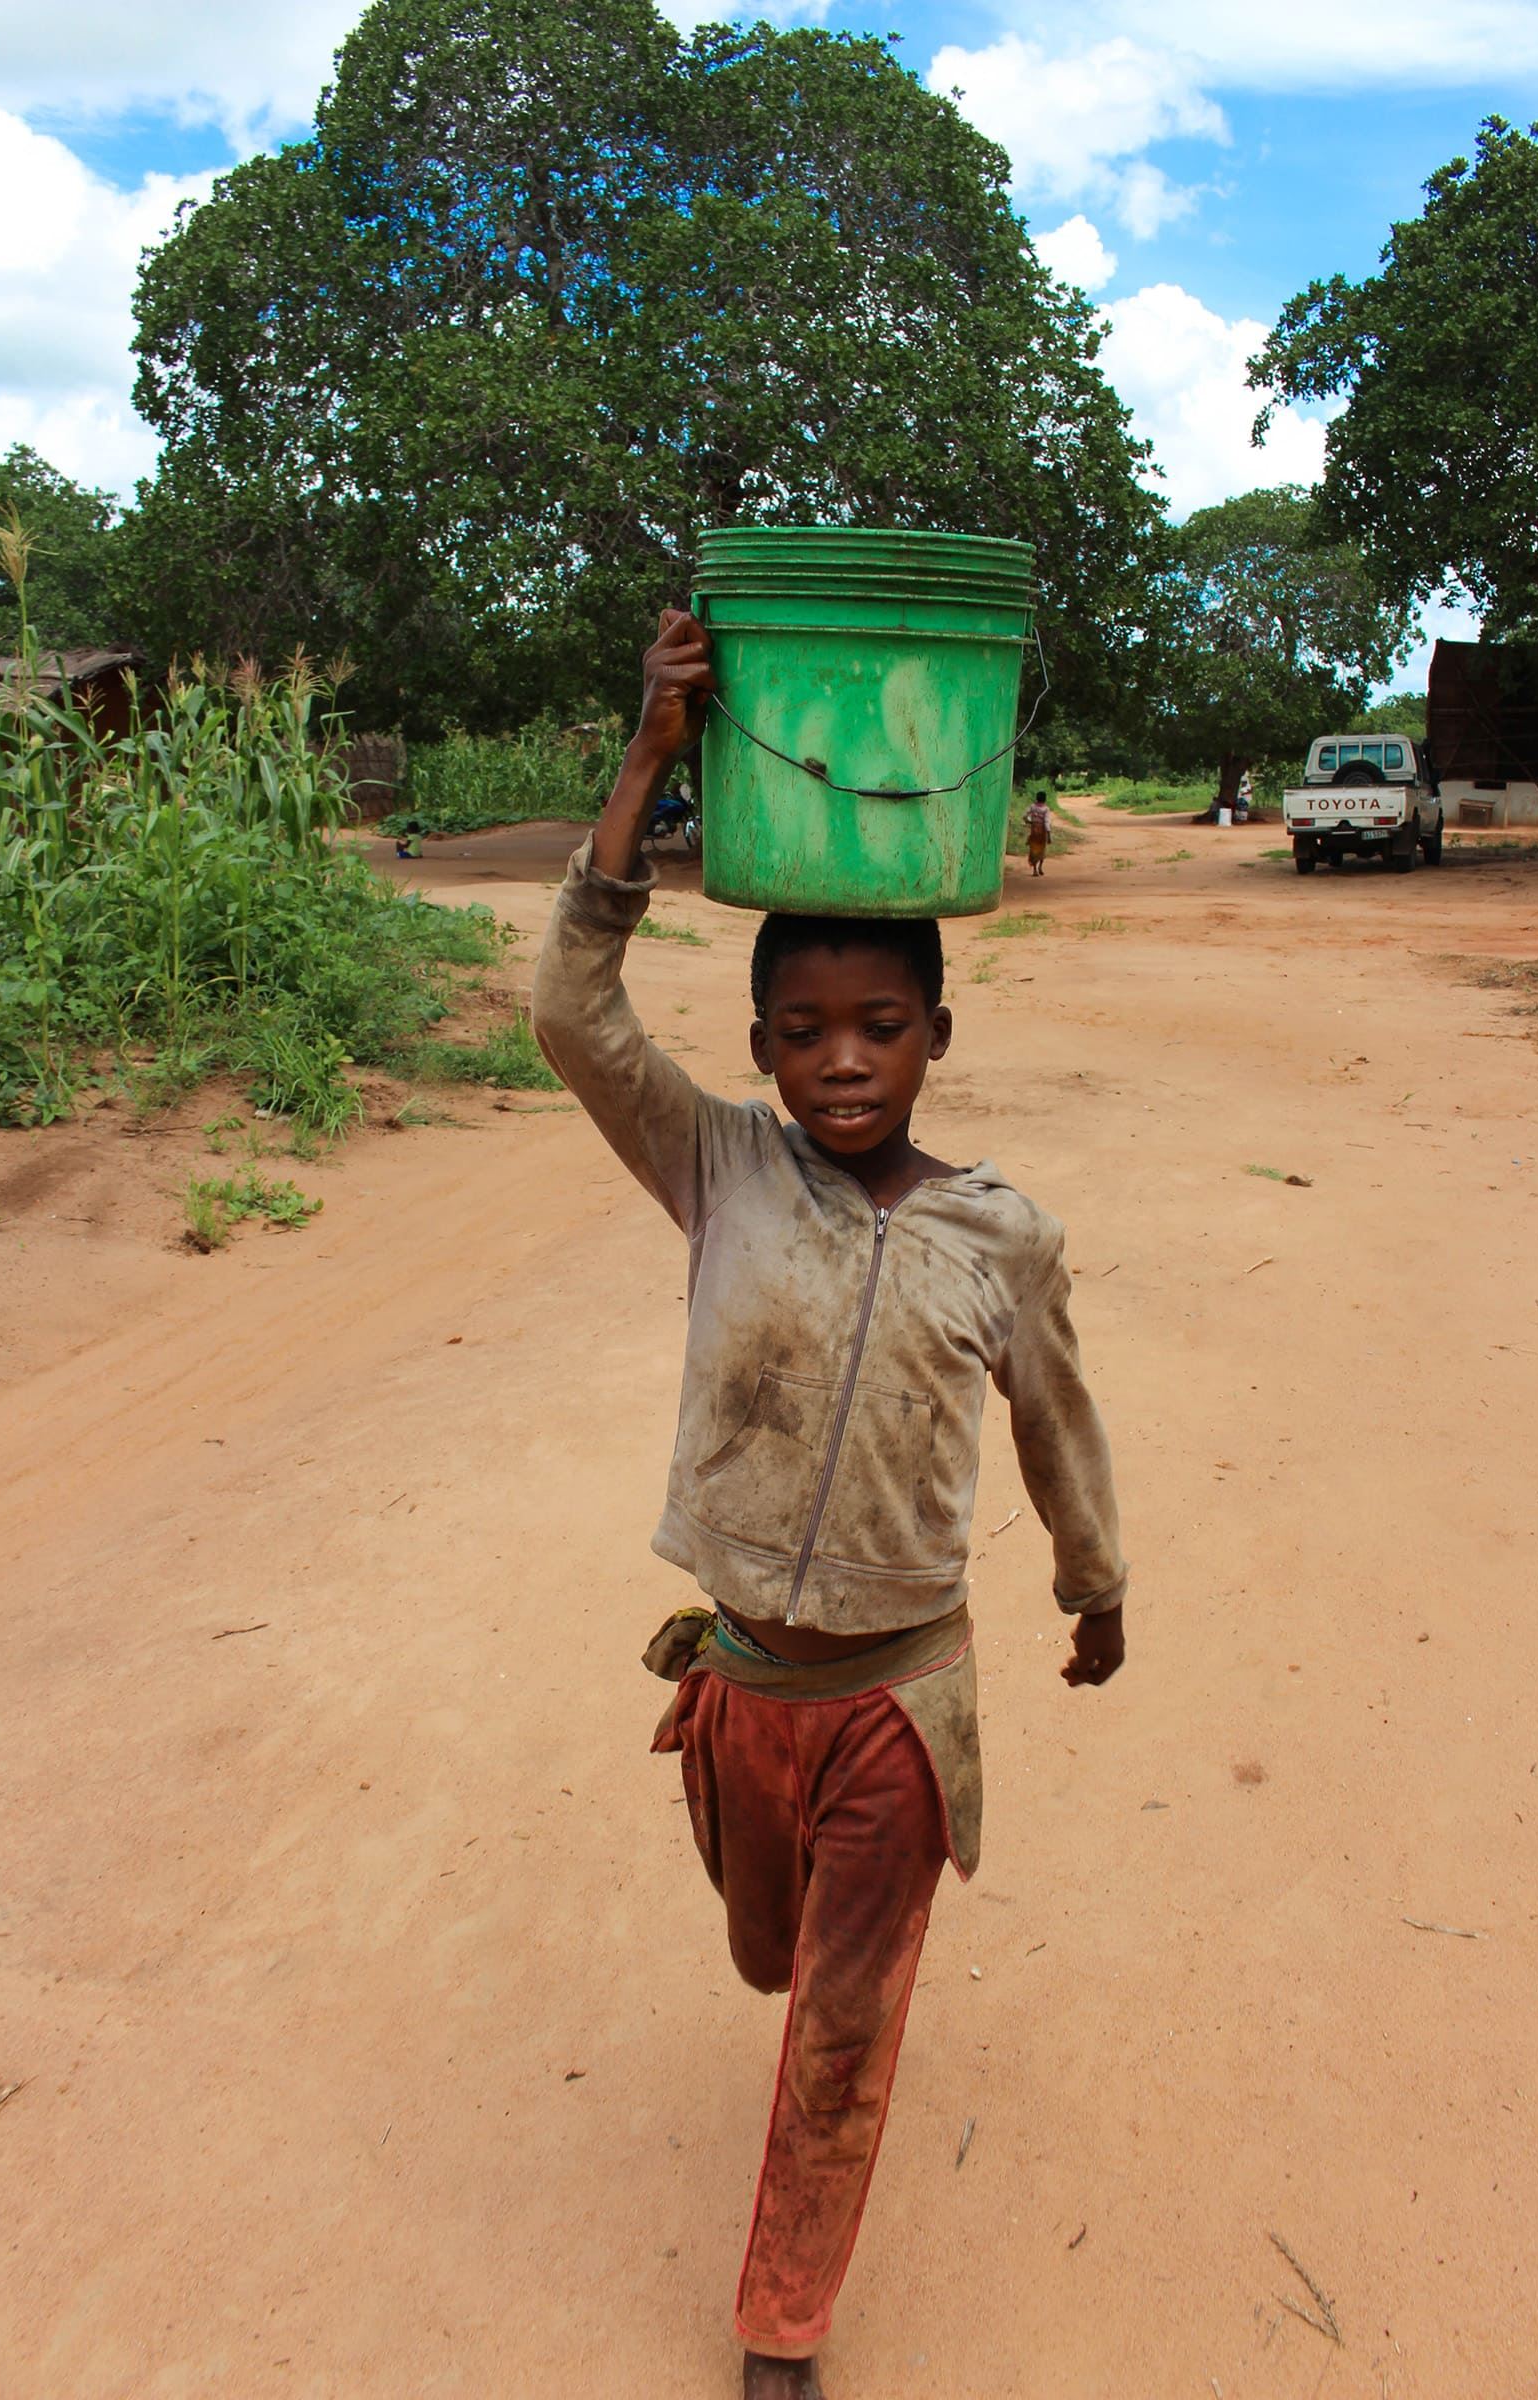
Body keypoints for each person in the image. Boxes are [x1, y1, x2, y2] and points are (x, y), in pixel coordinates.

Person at [532, 609, 1128, 2400]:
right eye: (805, 1032)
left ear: (938, 1033)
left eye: (880, 1026)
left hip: (893, 1699)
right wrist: (652, 752)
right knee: (766, 1955)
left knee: (843, 2029)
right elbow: (568, 1010)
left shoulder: (999, 1235)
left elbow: (1057, 1419)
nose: (844, 1062)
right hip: (742, 1687)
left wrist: (1095, 1581)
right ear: (765, 1044)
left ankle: (783, 2321)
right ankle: (764, 1906)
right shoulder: (719, 1166)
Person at [1024, 790, 1052, 874]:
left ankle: (1035, 870)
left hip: (1034, 831)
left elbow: (1024, 815)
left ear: (1036, 798)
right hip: (1042, 832)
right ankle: (1040, 867)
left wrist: (1029, 821)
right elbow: (1047, 822)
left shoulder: (1032, 806)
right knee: (1042, 850)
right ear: (1045, 799)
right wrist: (1049, 835)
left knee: (1034, 849)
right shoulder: (1046, 809)